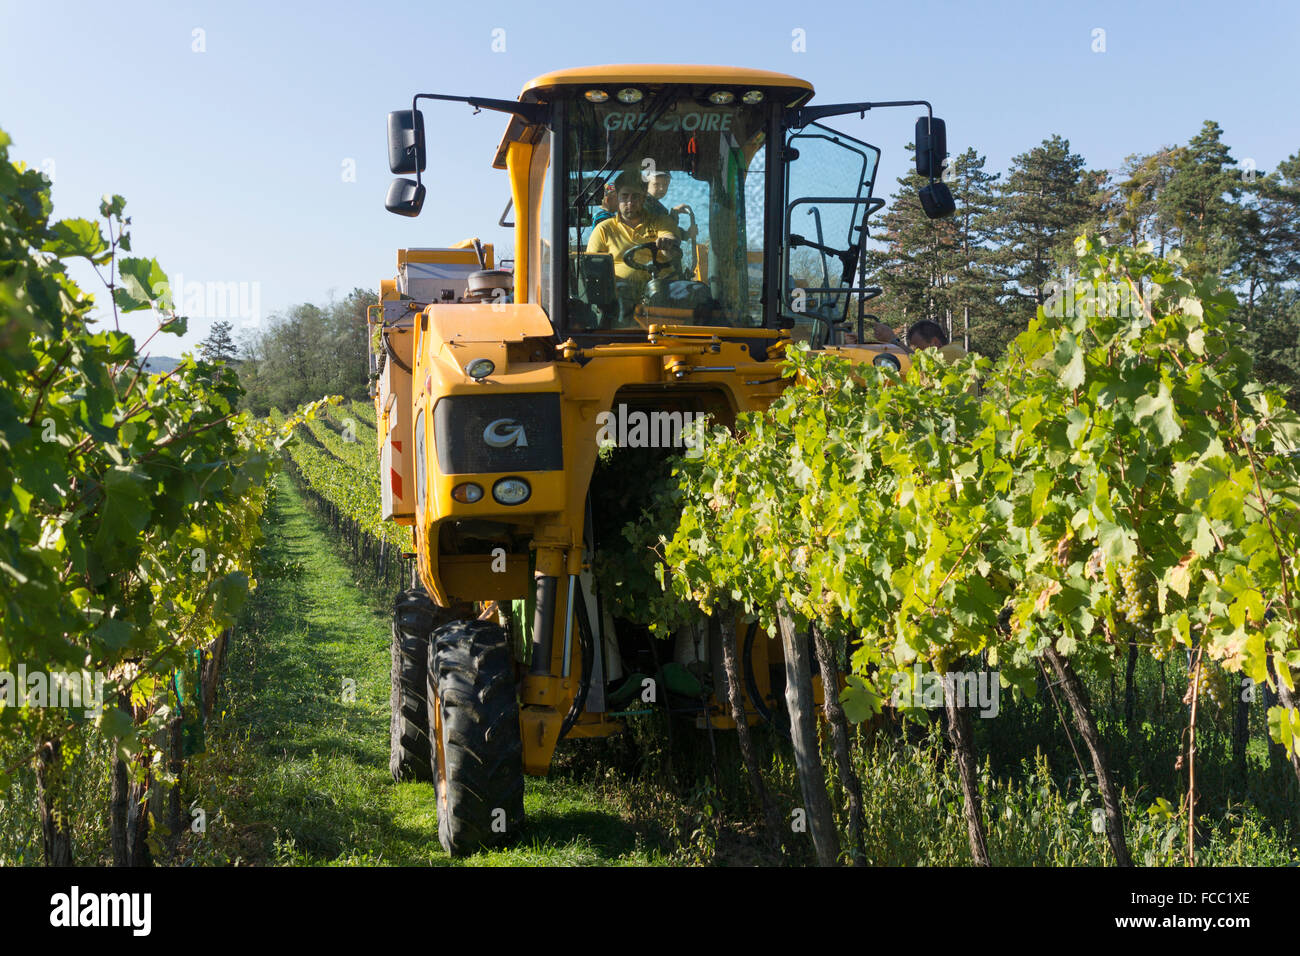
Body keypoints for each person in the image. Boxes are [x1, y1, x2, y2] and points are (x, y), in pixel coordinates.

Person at [586, 171, 682, 282]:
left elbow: (670, 238)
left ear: (644, 198)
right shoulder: (603, 230)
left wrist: (668, 245)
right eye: (625, 196)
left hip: (662, 289)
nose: (630, 202)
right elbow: (591, 269)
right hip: (619, 293)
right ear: (617, 197)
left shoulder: (662, 222)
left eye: (635, 196)